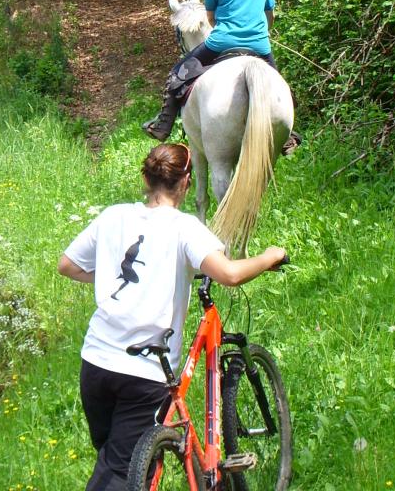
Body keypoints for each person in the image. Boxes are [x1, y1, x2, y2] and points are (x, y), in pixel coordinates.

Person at [58, 143, 287, 491]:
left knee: (113, 459)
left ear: (145, 179)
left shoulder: (113, 216)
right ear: (184, 183)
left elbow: (68, 265)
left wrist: (109, 274)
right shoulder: (185, 228)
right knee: (122, 476)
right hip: (143, 373)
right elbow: (228, 274)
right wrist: (269, 257)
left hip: (95, 363)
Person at [142, 0, 277, 141]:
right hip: (260, 46)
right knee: (280, 86)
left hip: (221, 43)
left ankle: (162, 125)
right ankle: (287, 135)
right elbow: (270, 16)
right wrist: (259, 34)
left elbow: (211, 19)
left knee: (178, 73)